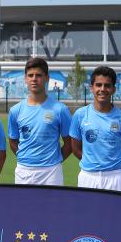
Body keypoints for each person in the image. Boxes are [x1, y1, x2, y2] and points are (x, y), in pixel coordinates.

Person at [70, 66, 121, 192]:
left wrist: (114, 170)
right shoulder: (80, 115)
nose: (102, 89)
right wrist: (92, 163)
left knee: (116, 212)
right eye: (98, 85)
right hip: (88, 177)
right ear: (92, 88)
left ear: (113, 89)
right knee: (86, 212)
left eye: (107, 85)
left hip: (115, 178)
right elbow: (75, 148)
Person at [8, 58, 72, 186]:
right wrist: (26, 158)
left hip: (51, 172)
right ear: (25, 78)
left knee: (52, 207)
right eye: (30, 75)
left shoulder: (60, 109)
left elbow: (69, 143)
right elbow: (13, 141)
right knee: (24, 206)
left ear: (47, 78)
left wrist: (54, 160)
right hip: (24, 171)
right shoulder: (15, 110)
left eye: (38, 75)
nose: (34, 79)